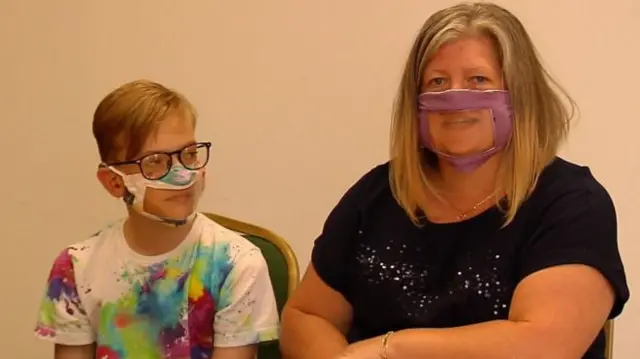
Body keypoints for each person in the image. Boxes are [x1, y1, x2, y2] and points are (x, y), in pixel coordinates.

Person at [280, 2, 629, 359]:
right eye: (437, 82)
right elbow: (306, 316)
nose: (455, 99)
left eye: (478, 80)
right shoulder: (378, 194)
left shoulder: (572, 204)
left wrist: (390, 349)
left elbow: (542, 344)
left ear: (521, 94)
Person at [34, 80, 279, 359]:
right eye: (154, 161)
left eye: (189, 154)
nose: (182, 174)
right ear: (114, 182)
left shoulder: (236, 263)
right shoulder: (76, 269)